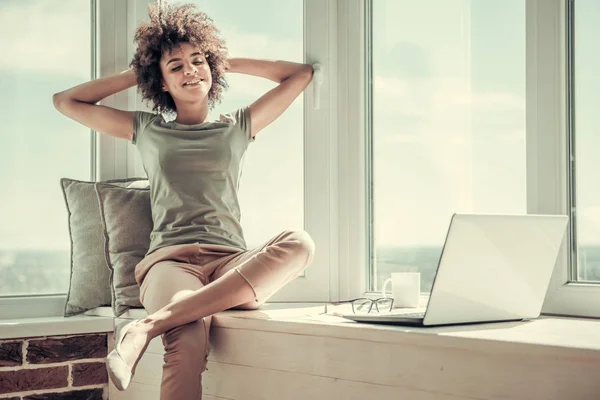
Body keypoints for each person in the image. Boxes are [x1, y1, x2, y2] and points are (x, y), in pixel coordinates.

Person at [53, 2, 315, 399]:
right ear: (161, 82)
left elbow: (299, 75)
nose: (191, 71)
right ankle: (169, 319)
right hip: (170, 263)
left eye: (197, 61)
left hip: (230, 262)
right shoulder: (148, 129)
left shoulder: (237, 127)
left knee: (299, 243)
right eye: (176, 68)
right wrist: (142, 71)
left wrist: (222, 59)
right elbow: (66, 102)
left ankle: (144, 328)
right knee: (189, 339)